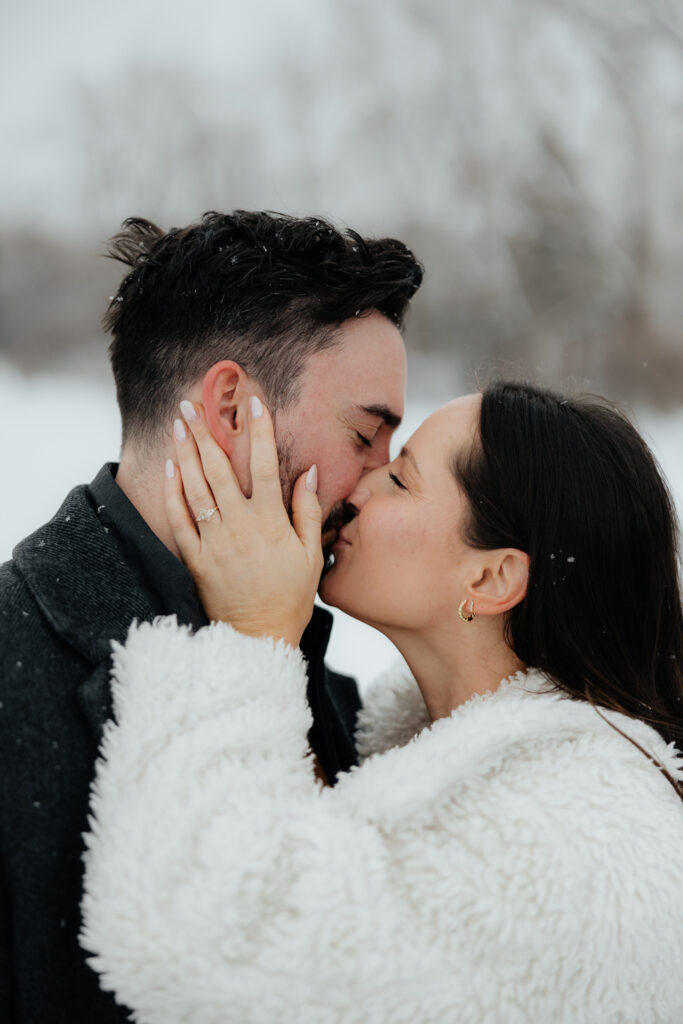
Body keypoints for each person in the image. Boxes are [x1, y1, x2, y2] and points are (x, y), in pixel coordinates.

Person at [80, 382, 683, 1024]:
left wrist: (252, 638)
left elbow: (211, 950)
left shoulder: (578, 837)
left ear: (490, 577)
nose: (359, 488)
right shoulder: (471, 773)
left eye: (400, 480)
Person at [0, 210, 423, 1023]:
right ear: (232, 409)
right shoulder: (17, 662)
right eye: (368, 435)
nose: (376, 482)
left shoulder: (330, 697)